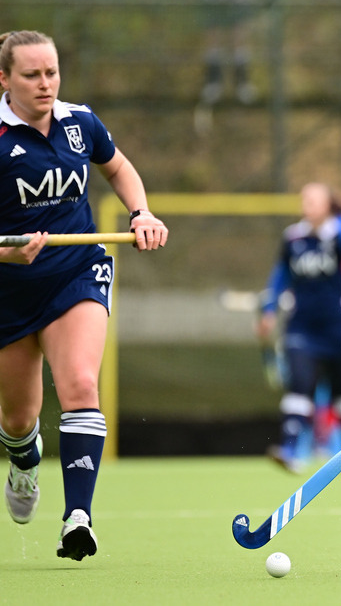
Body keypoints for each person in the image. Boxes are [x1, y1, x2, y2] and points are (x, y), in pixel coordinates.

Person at [0, 30, 169, 561]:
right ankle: (24, 462)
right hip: (8, 290)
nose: (45, 83)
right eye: (32, 75)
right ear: (4, 79)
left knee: (77, 382)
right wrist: (5, 254)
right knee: (18, 419)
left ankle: (79, 518)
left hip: (77, 272)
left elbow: (117, 167)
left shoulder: (80, 122)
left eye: (51, 72)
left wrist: (141, 213)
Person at [256, 183, 341, 474]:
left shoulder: (339, 235)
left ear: (328, 204)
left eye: (315, 200)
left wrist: (334, 223)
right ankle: (290, 448)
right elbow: (280, 275)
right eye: (305, 199)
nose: (308, 204)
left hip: (335, 326)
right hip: (301, 326)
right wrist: (269, 309)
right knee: (299, 386)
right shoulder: (293, 237)